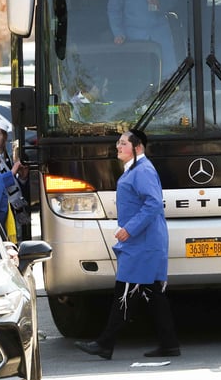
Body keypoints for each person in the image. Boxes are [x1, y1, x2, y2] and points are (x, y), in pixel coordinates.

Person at [75, 129, 180, 360]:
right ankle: (169, 343)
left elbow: (153, 204)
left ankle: (105, 344)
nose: (118, 147)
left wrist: (129, 229)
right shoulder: (136, 170)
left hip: (141, 243)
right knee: (152, 295)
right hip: (142, 242)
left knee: (124, 292)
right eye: (118, 143)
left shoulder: (142, 171)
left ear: (138, 147)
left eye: (123, 143)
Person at [106, 0, 181, 74]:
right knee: (140, 77)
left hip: (161, 34)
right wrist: (118, 33)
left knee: (168, 74)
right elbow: (114, 9)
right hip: (134, 37)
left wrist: (161, 3)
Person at [0, 115, 30, 241]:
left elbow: (15, 185)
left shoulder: (7, 157)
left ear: (4, 137)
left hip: (11, 208)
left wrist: (22, 177)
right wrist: (13, 171)